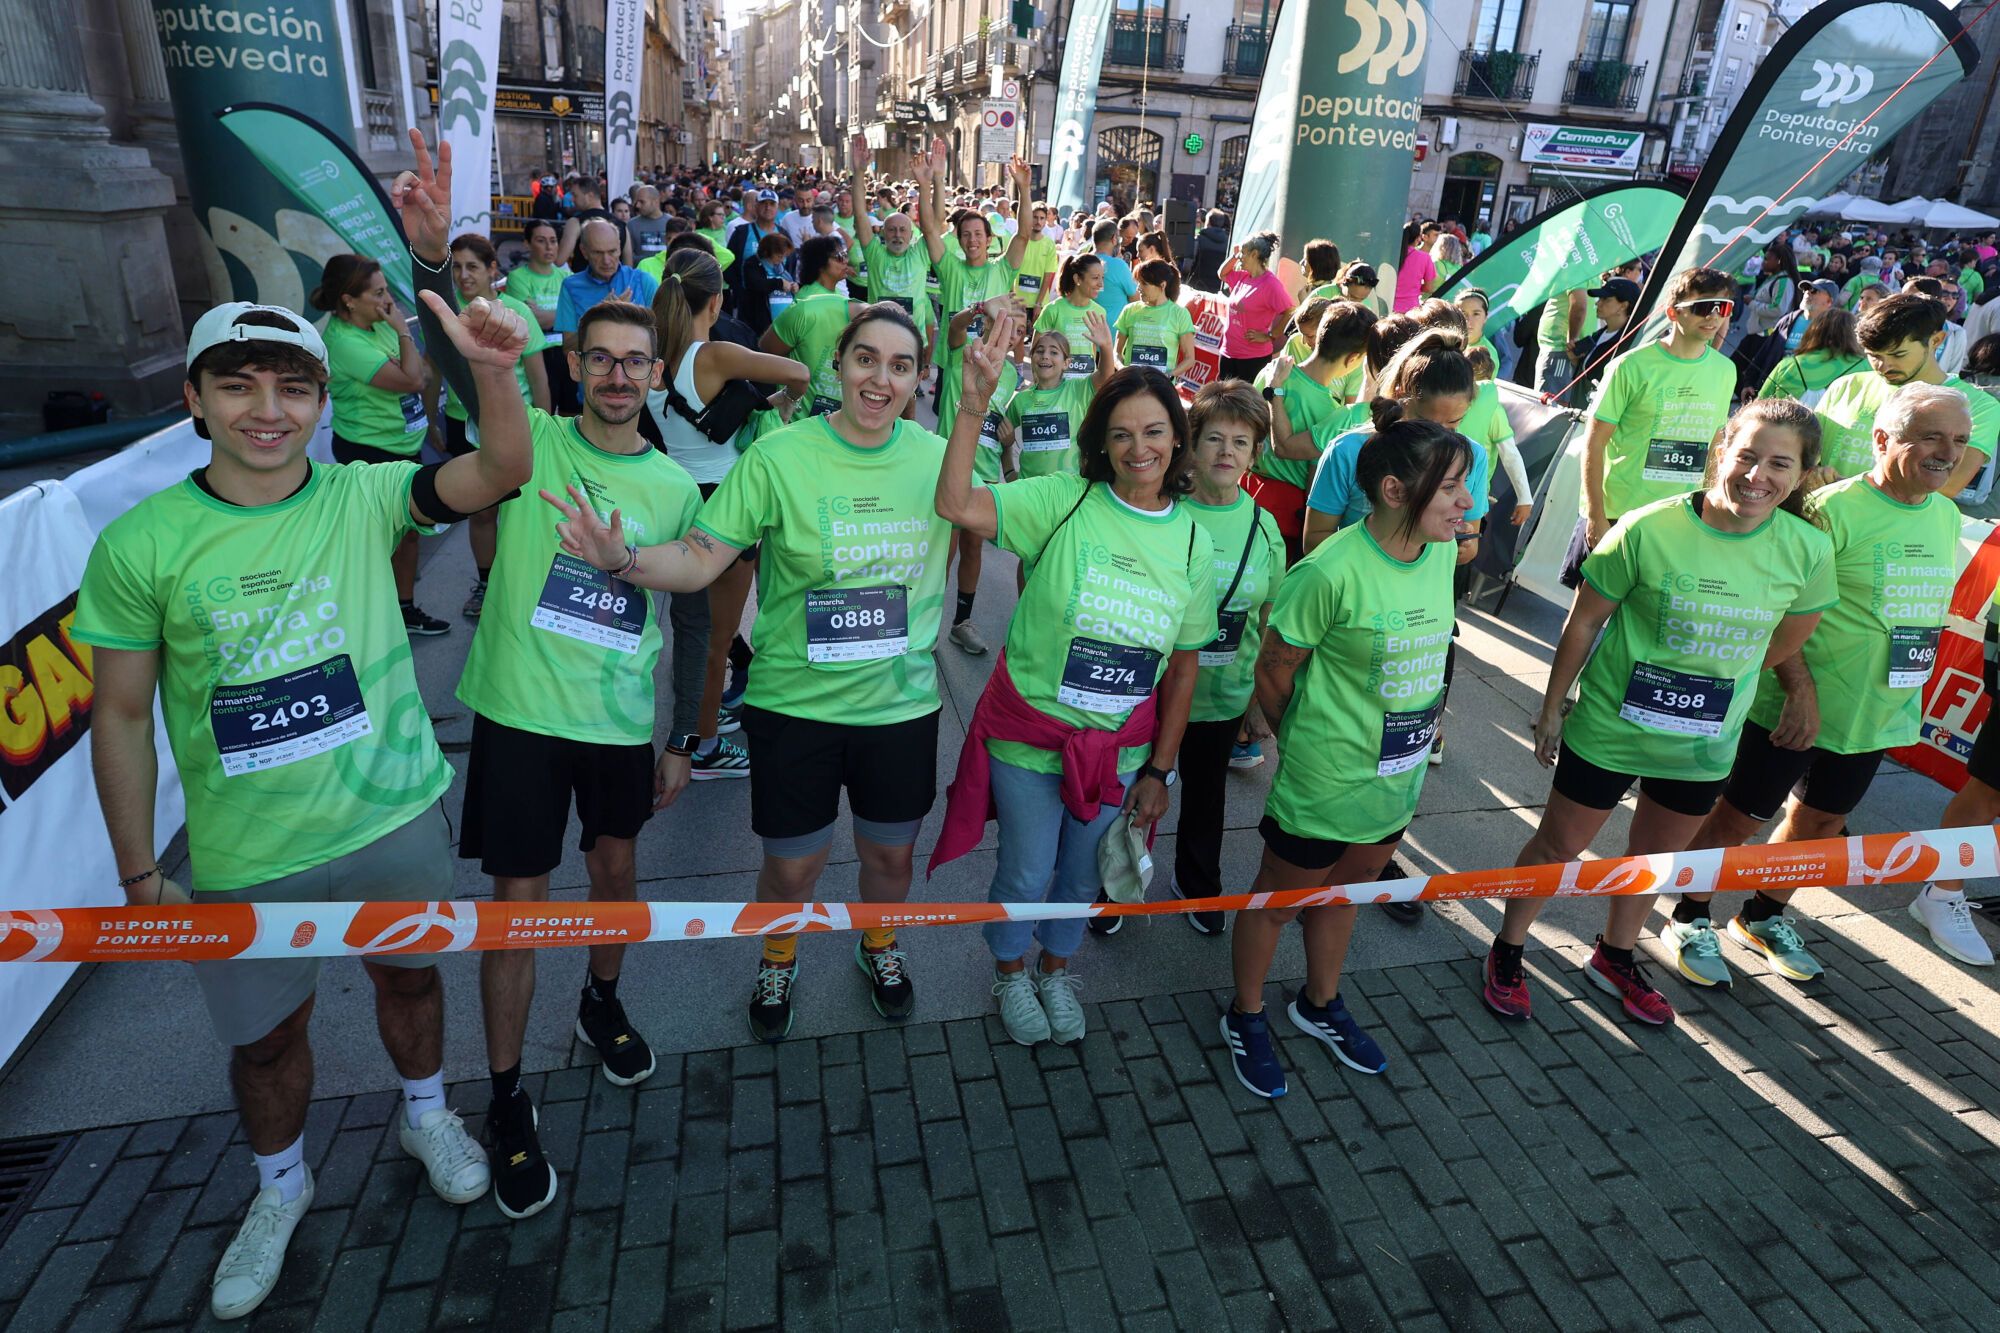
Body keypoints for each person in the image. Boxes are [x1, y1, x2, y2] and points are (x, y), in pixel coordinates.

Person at [73, 130, 525, 1317]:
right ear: (196, 398)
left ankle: (428, 1117)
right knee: (265, 1045)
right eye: (239, 385)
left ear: (322, 399)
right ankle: (279, 1185)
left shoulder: (364, 489)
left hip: (391, 813)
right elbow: (117, 715)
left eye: (292, 386)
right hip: (244, 853)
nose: (267, 411)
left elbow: (498, 472)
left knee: (412, 986)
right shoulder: (140, 545)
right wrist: (136, 869)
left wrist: (486, 361)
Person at [542, 305, 951, 1044]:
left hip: (900, 708)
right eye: (865, 359)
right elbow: (702, 555)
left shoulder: (936, 457)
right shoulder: (780, 457)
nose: (880, 379)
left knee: (891, 856)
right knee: (792, 871)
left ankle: (879, 943)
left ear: (918, 377)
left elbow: (1011, 514)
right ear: (837, 365)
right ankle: (778, 955)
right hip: (797, 708)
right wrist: (624, 560)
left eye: (899, 365)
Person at [1485, 399, 1836, 1027]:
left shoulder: (1807, 548)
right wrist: (1551, 707)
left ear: (1804, 474)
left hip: (1702, 743)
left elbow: (1790, 637)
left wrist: (1723, 670)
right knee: (1560, 845)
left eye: (1780, 464)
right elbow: (1586, 618)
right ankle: (1509, 947)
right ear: (1720, 452)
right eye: (1747, 455)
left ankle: (1615, 955)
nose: (1759, 475)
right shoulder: (1649, 527)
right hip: (1612, 729)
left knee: (1653, 862)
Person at [932, 356, 1218, 1047]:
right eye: (1120, 435)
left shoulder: (1191, 540)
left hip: (1120, 750)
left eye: (1153, 431)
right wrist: (971, 405)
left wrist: (1160, 770)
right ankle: (1009, 970)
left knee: (1083, 873)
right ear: (1100, 444)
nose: (1139, 449)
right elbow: (956, 505)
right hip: (1030, 733)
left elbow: (1183, 670)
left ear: (1177, 438)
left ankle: (1056, 968)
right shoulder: (1062, 498)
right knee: (1027, 868)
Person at [1672, 385, 1969, 985]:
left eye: (1959, 440)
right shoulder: (1830, 510)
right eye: (1931, 436)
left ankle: (1763, 916)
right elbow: (1777, 608)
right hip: (1793, 711)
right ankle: (1689, 914)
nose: (1948, 452)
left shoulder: (1947, 513)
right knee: (1736, 819)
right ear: (1885, 439)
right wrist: (1800, 690)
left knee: (1820, 827)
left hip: (1875, 713)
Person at [1222, 418, 1472, 1097]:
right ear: (1394, 489)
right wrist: (1303, 741)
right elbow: (1273, 672)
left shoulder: (1442, 553)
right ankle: (1244, 1013)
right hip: (1324, 779)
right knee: (1278, 903)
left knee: (1345, 897)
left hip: (1396, 778)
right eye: (1450, 487)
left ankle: (1318, 1002)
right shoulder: (1328, 570)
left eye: (1464, 486)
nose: (1467, 503)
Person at [647, 247, 812, 780]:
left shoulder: (652, 358)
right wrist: (775, 405)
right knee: (717, 636)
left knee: (693, 625)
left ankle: (699, 715)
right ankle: (706, 745)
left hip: (676, 496)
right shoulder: (712, 355)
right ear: (715, 301)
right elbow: (800, 371)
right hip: (725, 502)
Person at [1171, 382, 1287, 928]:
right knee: (1126, 791)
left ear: (1254, 452)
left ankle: (1199, 886)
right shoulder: (1163, 511)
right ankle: (1112, 884)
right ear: (1190, 444)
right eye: (1213, 437)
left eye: (1240, 442)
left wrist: (1261, 704)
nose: (1225, 452)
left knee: (1205, 794)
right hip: (1151, 690)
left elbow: (1273, 623)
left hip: (1222, 696)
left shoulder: (1264, 528)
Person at [1560, 267, 1738, 588]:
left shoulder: (1726, 371)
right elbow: (1595, 442)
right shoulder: (1629, 366)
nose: (1713, 317)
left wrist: (1709, 511)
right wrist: (1596, 515)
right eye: (1702, 307)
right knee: (1586, 615)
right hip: (1618, 513)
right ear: (1673, 312)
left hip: (1679, 518)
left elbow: (1714, 443)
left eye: (1722, 307)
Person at [310, 253, 450, 636]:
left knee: (408, 533)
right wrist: (404, 331)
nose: (388, 299)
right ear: (348, 300)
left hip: (403, 444)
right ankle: (373, 618)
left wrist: (398, 335)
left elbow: (418, 370)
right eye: (378, 292)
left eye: (386, 289)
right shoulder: (344, 342)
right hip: (369, 450)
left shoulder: (378, 325)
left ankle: (403, 610)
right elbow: (411, 381)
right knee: (382, 539)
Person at [432, 233, 553, 620]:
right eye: (457, 267)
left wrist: (545, 429)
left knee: (523, 512)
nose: (464, 275)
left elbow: (538, 379)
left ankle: (523, 582)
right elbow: (432, 370)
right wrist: (427, 419)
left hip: (516, 427)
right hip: (460, 423)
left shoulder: (517, 310)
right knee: (481, 513)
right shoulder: (446, 312)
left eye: (472, 266)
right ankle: (486, 583)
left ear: (492, 270)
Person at [1812, 293, 2000, 488]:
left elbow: (1948, 487)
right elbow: (1805, 457)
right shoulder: (1847, 386)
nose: (1883, 366)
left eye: (1898, 354)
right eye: (1874, 355)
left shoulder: (1978, 406)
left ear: (1936, 340)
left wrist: (1846, 489)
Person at [1256, 301, 1376, 564]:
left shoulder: (1272, 372)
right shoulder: (1331, 413)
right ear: (1354, 359)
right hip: (1287, 519)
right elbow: (1315, 485)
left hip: (1248, 495)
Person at [760, 233, 862, 417]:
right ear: (820, 264)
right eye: (839, 256)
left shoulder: (837, 297)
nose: (845, 260)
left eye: (845, 254)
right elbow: (769, 350)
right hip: (805, 409)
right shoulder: (807, 300)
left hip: (829, 399)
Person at [1001, 323, 1112, 481]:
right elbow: (1002, 438)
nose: (1045, 355)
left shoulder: (1077, 390)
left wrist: (1106, 347)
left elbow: (1105, 376)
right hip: (1031, 489)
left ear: (1066, 363)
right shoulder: (1021, 400)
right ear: (1031, 358)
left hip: (1068, 490)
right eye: (1039, 351)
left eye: (1054, 352)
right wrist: (1009, 472)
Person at [556, 220, 662, 364]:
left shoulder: (643, 281)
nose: (606, 260)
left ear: (619, 247)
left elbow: (662, 339)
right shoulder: (571, 286)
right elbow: (568, 349)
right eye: (597, 253)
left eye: (612, 251)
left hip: (637, 376)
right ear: (584, 251)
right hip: (594, 379)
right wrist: (600, 315)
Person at [508, 219, 576, 416]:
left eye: (553, 241)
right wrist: (564, 315)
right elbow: (530, 321)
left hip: (566, 352)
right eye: (541, 241)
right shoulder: (518, 277)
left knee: (569, 413)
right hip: (538, 356)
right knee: (543, 413)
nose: (549, 247)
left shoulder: (565, 277)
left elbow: (578, 318)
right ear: (527, 244)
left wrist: (546, 316)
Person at [1218, 231, 1293, 381]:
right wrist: (1234, 255)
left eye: (1243, 253)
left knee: (1246, 403)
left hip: (1252, 358)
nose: (1240, 257)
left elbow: (1289, 311)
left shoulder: (1271, 284)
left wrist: (1270, 336)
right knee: (1223, 401)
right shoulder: (1243, 276)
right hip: (1228, 351)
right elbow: (1222, 273)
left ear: (1254, 254)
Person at [1757, 307, 1867, 407]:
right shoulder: (1866, 367)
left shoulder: (1788, 364)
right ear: (1853, 334)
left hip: (1786, 426)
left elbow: (1760, 404)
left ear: (1813, 331)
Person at [1038, 251, 1116, 383]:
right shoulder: (1052, 310)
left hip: (1085, 387)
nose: (1101, 284)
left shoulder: (1099, 312)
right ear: (1077, 279)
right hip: (1056, 386)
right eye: (1095, 278)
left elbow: (1092, 351)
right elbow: (1036, 352)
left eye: (1102, 278)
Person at [1115, 258, 1197, 378]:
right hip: (1131, 383)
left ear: (1162, 285)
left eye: (1144, 283)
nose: (1138, 288)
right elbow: (1116, 352)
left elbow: (1189, 359)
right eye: (1138, 282)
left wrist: (1169, 375)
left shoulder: (1180, 314)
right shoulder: (1129, 310)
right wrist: (1122, 369)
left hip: (1161, 387)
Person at [1091, 219, 1139, 320]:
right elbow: (1135, 298)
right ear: (1114, 239)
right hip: (1113, 330)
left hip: (1085, 328)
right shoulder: (1118, 265)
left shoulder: (1082, 261)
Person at [1393, 221, 1439, 312]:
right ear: (1419, 238)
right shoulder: (1425, 258)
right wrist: (1414, 287)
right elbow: (1429, 288)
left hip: (1388, 304)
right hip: (1411, 309)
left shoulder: (1392, 254)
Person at [1188, 209, 1232, 292]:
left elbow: (1187, 266)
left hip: (1196, 289)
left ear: (1208, 222)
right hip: (1217, 289)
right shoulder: (1229, 243)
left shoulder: (1198, 240)